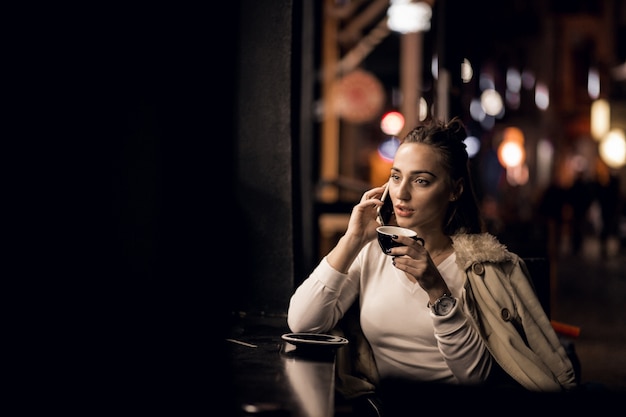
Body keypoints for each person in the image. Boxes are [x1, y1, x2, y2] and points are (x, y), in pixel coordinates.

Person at [287, 117, 577, 414]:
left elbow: (475, 379)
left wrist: (437, 290)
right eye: (396, 177)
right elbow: (302, 323)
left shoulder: (480, 268)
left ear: (454, 190)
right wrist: (352, 239)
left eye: (421, 180)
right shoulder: (371, 253)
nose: (402, 193)